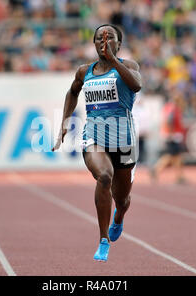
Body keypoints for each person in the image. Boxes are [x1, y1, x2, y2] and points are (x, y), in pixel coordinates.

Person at [52, 24, 142, 262]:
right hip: (94, 135)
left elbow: (136, 85)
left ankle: (119, 217)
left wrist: (114, 61)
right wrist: (64, 122)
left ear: (119, 44)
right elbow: (72, 92)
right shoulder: (84, 71)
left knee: (122, 199)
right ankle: (103, 239)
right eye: (99, 39)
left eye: (110, 37)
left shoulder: (129, 66)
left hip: (123, 139)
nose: (105, 42)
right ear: (93, 44)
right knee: (104, 176)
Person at [150, 91, 187, 184]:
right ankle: (156, 169)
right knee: (172, 156)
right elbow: (170, 120)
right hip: (173, 136)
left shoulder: (168, 107)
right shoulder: (174, 108)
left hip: (169, 134)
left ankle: (179, 176)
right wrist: (171, 133)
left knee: (176, 156)